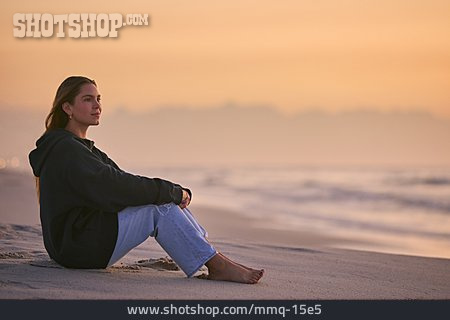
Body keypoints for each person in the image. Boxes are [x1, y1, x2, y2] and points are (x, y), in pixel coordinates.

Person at [29, 76, 264, 284]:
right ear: (67, 107)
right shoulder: (67, 150)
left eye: (98, 98)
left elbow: (123, 181)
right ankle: (217, 265)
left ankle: (214, 258)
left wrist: (171, 192)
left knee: (161, 201)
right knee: (159, 209)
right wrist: (171, 192)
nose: (97, 105)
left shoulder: (80, 148)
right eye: (88, 99)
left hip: (78, 243)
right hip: (79, 248)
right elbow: (117, 187)